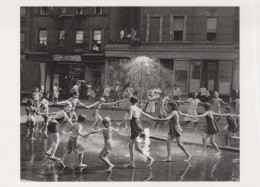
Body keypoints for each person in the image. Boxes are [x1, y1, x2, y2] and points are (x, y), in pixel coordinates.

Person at [118, 96, 156, 168]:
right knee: (132, 146)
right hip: (136, 127)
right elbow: (146, 114)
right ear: (136, 102)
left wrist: (120, 123)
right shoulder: (138, 108)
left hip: (135, 128)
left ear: (130, 101)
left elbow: (129, 117)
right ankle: (133, 163)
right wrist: (153, 118)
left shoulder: (131, 107)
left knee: (135, 147)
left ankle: (150, 158)